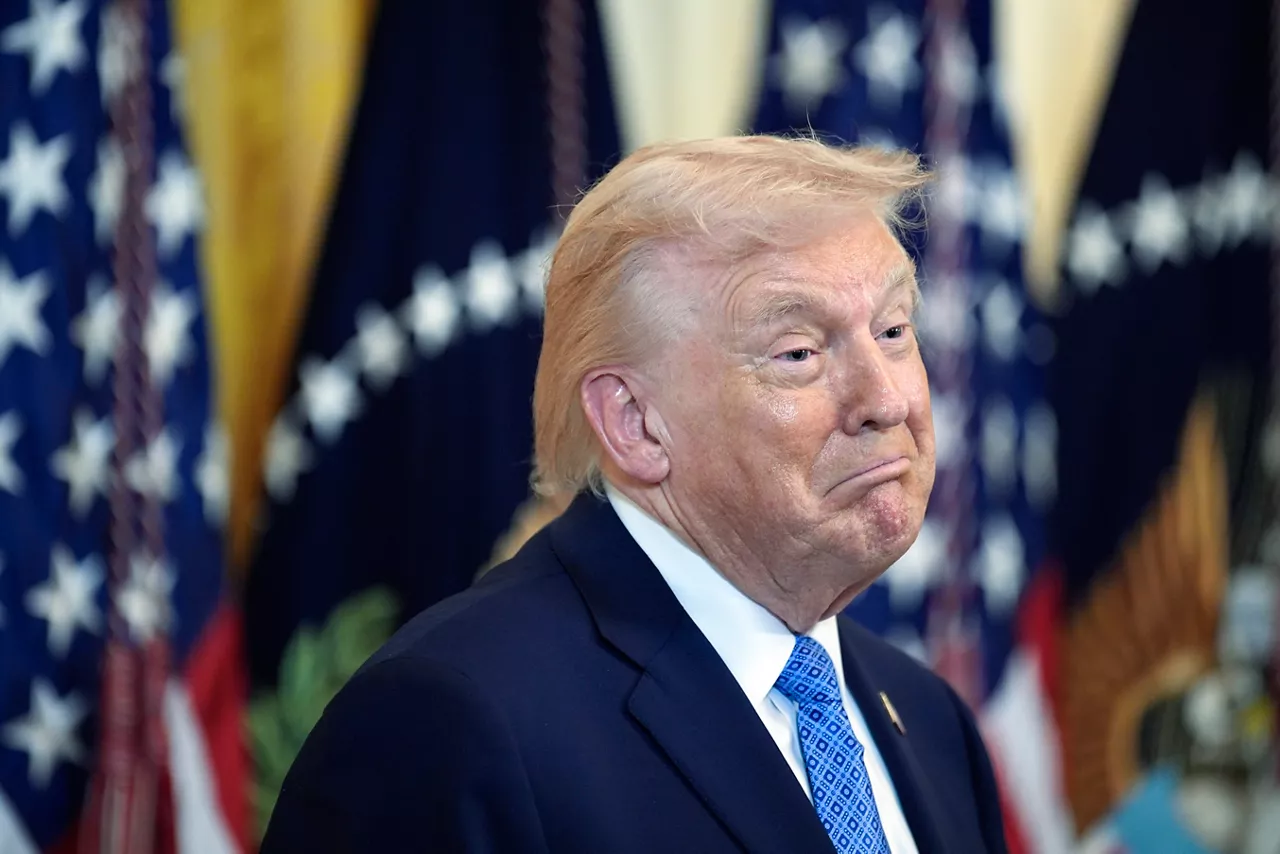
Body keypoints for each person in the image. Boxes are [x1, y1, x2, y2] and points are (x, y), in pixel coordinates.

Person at [261, 135, 1008, 853]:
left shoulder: (927, 717)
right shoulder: (449, 725)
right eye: (800, 353)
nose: (887, 400)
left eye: (893, 330)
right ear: (636, 425)